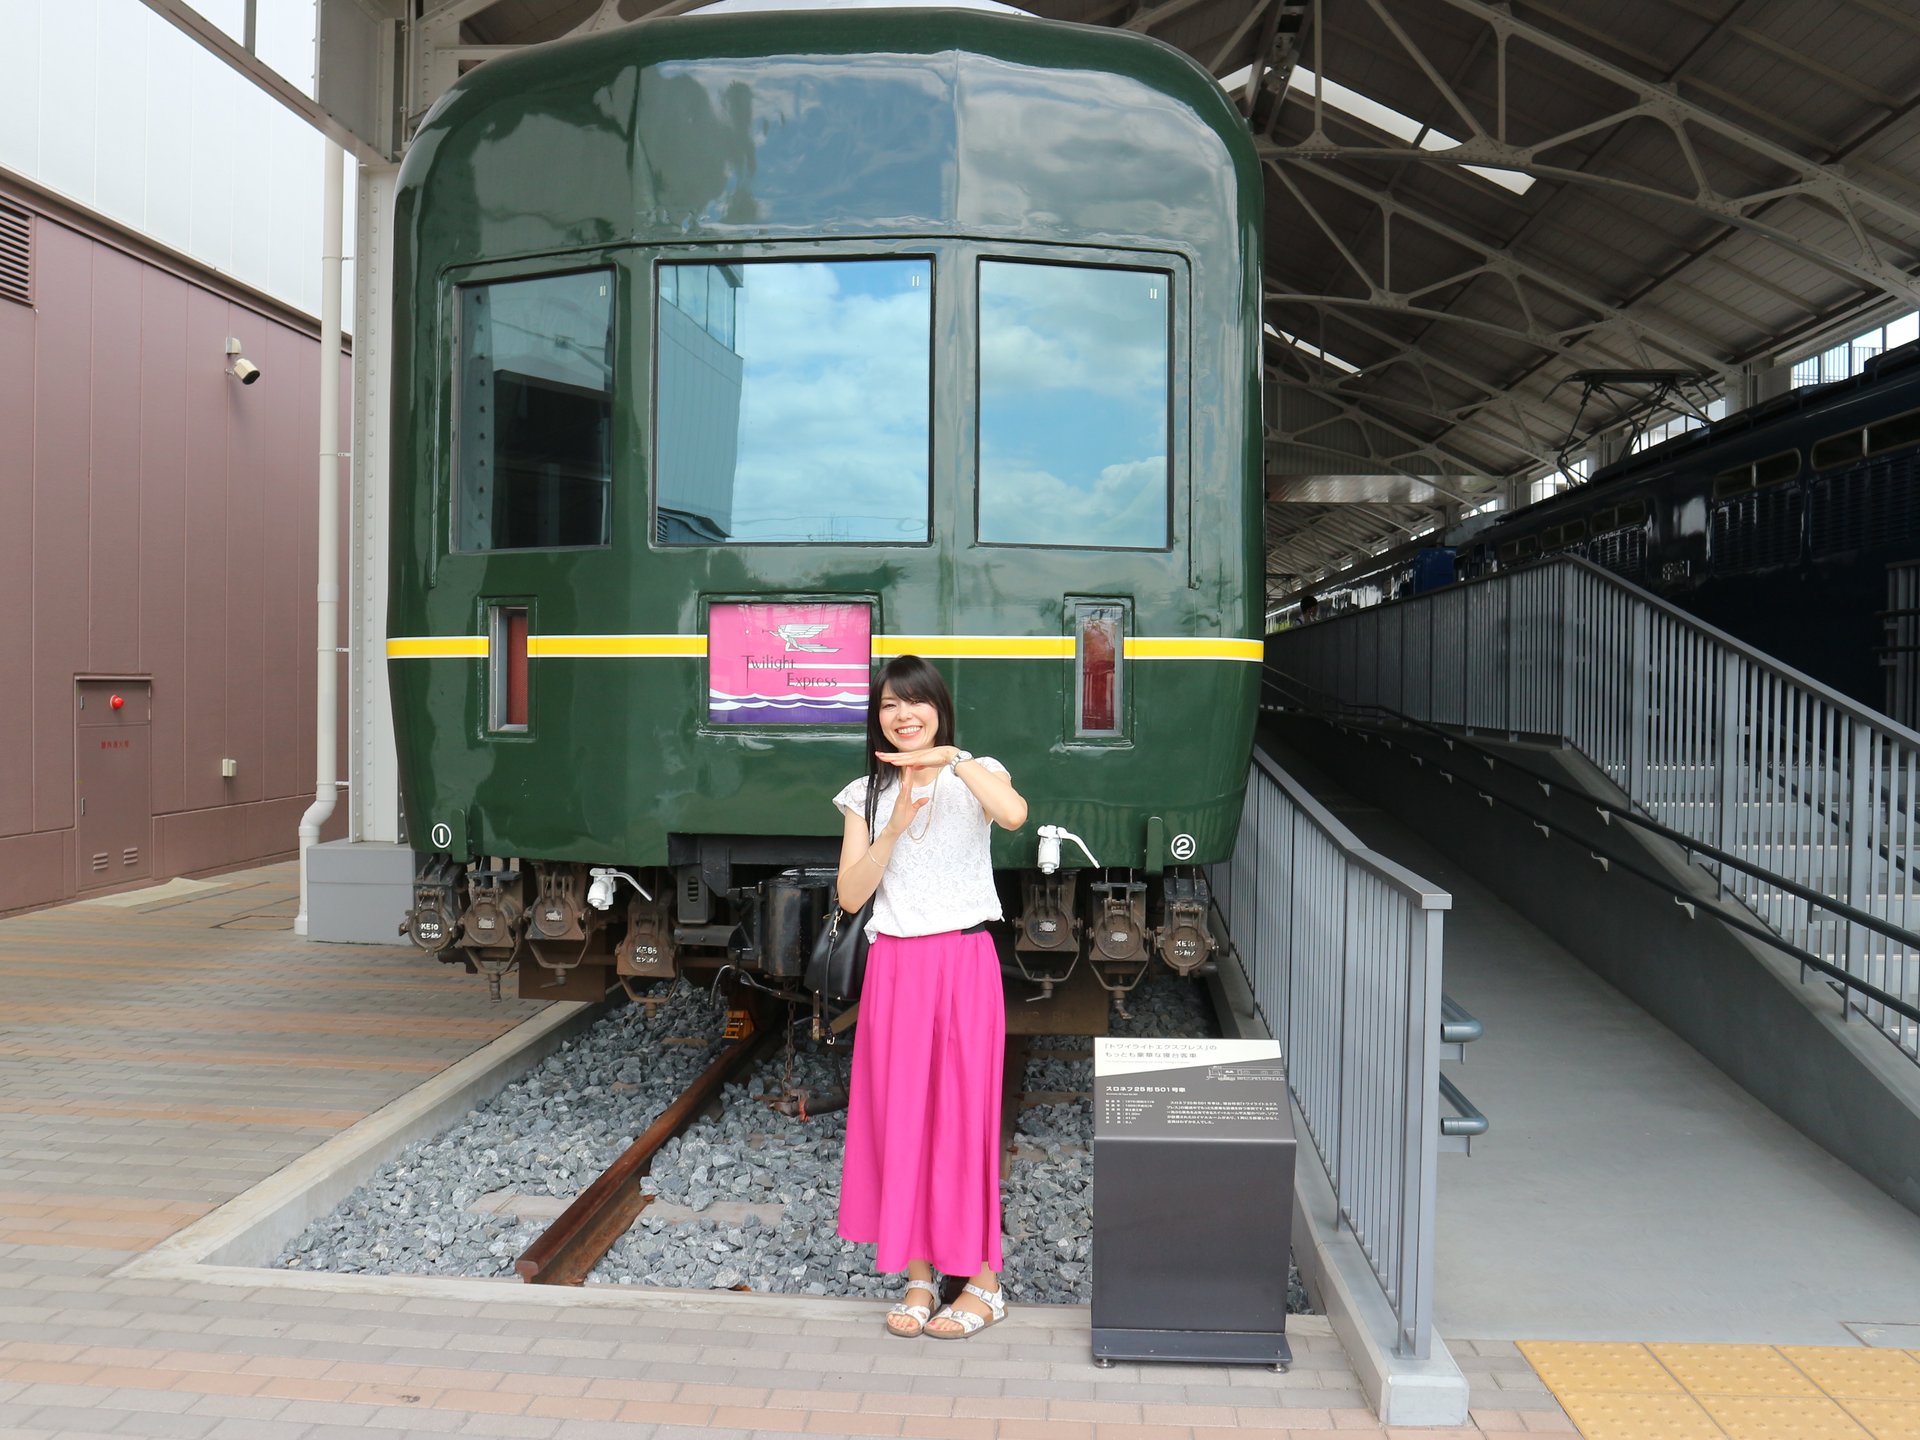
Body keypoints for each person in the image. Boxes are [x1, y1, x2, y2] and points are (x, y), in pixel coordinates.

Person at [830, 655, 1029, 1338]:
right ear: (876, 717)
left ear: (939, 710)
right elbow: (852, 894)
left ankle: (983, 1280)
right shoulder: (864, 793)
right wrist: (892, 823)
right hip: (896, 970)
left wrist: (953, 759)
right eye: (889, 705)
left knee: (965, 1119)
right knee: (903, 1121)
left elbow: (1013, 814)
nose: (903, 715)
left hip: (963, 961)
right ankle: (919, 1278)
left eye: (916, 703)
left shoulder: (979, 772)